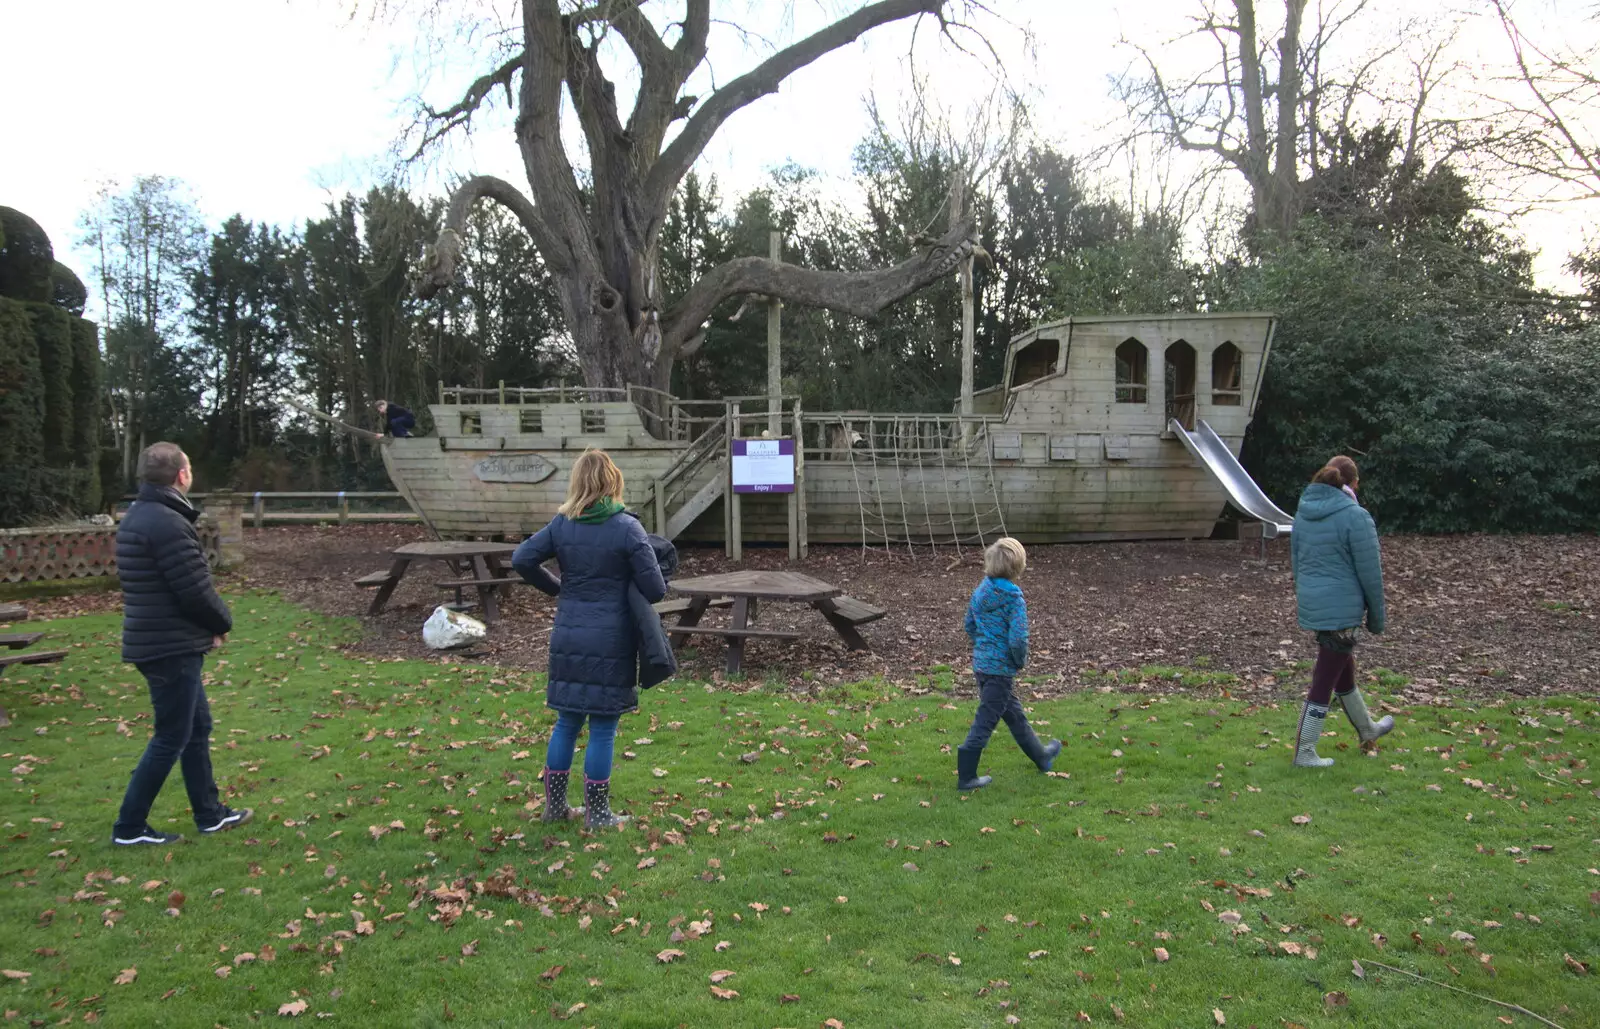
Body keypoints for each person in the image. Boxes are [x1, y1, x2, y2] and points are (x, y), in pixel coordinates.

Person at [512, 450, 668, 828]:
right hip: (611, 638)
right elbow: (655, 589)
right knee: (602, 726)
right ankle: (598, 815)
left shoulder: (562, 525)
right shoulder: (627, 528)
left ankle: (554, 808)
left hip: (569, 635)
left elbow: (522, 558)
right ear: (613, 481)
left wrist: (556, 588)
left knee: (566, 722)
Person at [111, 443, 253, 845]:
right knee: (172, 735)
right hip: (168, 646)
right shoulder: (167, 523)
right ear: (181, 475)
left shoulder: (141, 515)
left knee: (196, 727)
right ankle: (129, 826)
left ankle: (209, 814)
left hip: (160, 639)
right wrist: (221, 622)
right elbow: (193, 590)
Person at [1289, 456, 1393, 768]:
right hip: (1342, 607)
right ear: (1353, 484)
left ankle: (1367, 728)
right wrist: (1377, 617)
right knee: (1324, 678)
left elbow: (1297, 561)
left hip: (1314, 601)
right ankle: (1305, 751)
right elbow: (1370, 574)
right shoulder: (1356, 517)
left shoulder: (1303, 513)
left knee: (1341, 668)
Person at [957, 537, 1062, 790]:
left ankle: (1042, 757)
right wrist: (1018, 660)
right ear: (1017, 566)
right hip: (1000, 670)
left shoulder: (981, 591)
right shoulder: (1014, 598)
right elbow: (1018, 639)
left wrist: (983, 646)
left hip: (982, 666)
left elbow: (969, 625)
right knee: (985, 721)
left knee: (1014, 715)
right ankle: (966, 777)